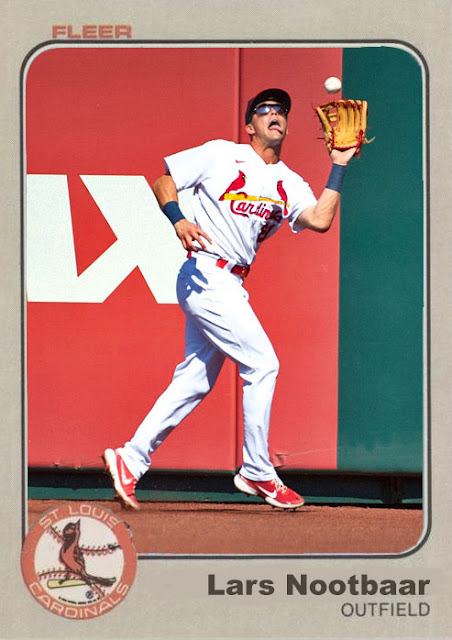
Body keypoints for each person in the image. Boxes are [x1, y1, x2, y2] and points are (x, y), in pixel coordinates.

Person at [102, 88, 357, 511]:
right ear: (249, 125)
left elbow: (320, 219)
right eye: (265, 109)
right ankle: (257, 469)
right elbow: (164, 180)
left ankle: (130, 458)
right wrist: (178, 219)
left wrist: (339, 166)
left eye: (281, 110)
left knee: (195, 379)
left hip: (230, 282)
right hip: (206, 273)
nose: (275, 114)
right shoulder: (223, 154)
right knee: (263, 364)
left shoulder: (288, 181)